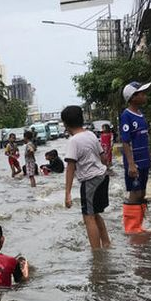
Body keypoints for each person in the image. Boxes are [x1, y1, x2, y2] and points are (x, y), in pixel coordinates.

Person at [62, 105, 111, 249]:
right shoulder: (90, 135)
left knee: (88, 217)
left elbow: (70, 168)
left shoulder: (73, 141)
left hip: (91, 182)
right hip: (103, 177)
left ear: (65, 124)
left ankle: (96, 253)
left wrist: (67, 194)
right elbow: (104, 158)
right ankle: (106, 243)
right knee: (95, 214)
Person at [120, 81, 151, 234]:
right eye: (141, 93)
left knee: (143, 192)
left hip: (145, 160)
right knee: (135, 193)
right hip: (135, 162)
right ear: (133, 98)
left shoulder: (141, 115)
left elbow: (145, 137)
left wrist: (150, 156)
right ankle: (131, 229)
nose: (144, 95)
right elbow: (125, 142)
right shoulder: (126, 115)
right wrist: (131, 164)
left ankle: (139, 226)